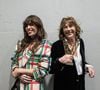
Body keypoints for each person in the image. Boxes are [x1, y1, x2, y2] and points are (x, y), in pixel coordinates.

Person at [49, 16, 95, 90]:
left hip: (80, 84)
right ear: (62, 30)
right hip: (64, 86)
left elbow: (78, 62)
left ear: (76, 28)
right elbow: (51, 69)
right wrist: (60, 60)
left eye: (71, 26)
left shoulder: (80, 42)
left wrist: (87, 66)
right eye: (65, 27)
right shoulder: (57, 45)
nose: (68, 29)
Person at [11, 15, 52, 90]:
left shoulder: (46, 45)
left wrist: (19, 70)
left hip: (34, 86)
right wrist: (19, 76)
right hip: (19, 86)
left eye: (31, 24)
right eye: (26, 25)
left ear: (38, 26)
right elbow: (14, 64)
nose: (28, 27)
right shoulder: (20, 44)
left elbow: (42, 71)